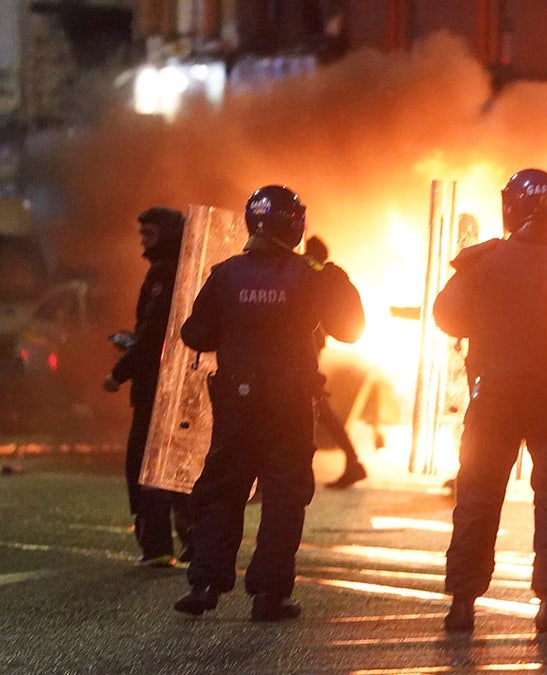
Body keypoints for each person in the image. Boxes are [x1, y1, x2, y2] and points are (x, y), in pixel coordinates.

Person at [432, 168, 547, 633]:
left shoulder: (483, 260)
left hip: (492, 397)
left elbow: (447, 316)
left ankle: (462, 604)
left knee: (477, 493)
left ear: (510, 207)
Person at [172, 185, 364, 622]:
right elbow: (351, 329)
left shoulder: (225, 273)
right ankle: (269, 595)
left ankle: (204, 583)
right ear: (294, 224)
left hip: (236, 403)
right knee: (283, 497)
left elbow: (194, 335)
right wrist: (337, 279)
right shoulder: (313, 272)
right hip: (289, 403)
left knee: (222, 490)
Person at [103, 206, 193, 567]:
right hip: (179, 385)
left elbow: (155, 335)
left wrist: (120, 371)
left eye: (149, 233)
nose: (143, 240)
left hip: (158, 387)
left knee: (146, 464)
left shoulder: (163, 272)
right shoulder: (188, 268)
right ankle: (193, 542)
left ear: (168, 234)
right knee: (176, 465)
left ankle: (156, 545)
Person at [303, 236, 368, 488]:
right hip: (306, 352)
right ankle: (353, 462)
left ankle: (353, 462)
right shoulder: (321, 277)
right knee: (321, 409)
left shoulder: (312, 275)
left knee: (311, 408)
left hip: (301, 354)